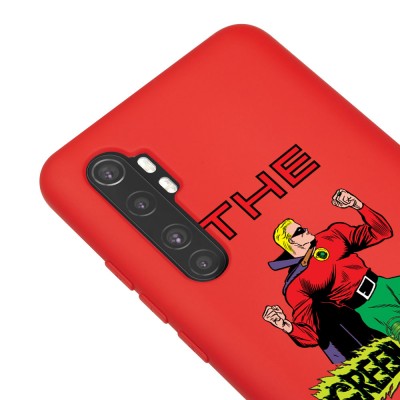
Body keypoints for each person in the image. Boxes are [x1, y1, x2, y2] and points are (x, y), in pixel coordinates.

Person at [263, 189, 395, 363]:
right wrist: (284, 325)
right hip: (370, 307)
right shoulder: (296, 284)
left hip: (388, 285)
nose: (306, 228)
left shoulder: (332, 235)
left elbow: (382, 231)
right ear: (292, 242)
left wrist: (357, 205)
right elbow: (311, 334)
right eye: (299, 230)